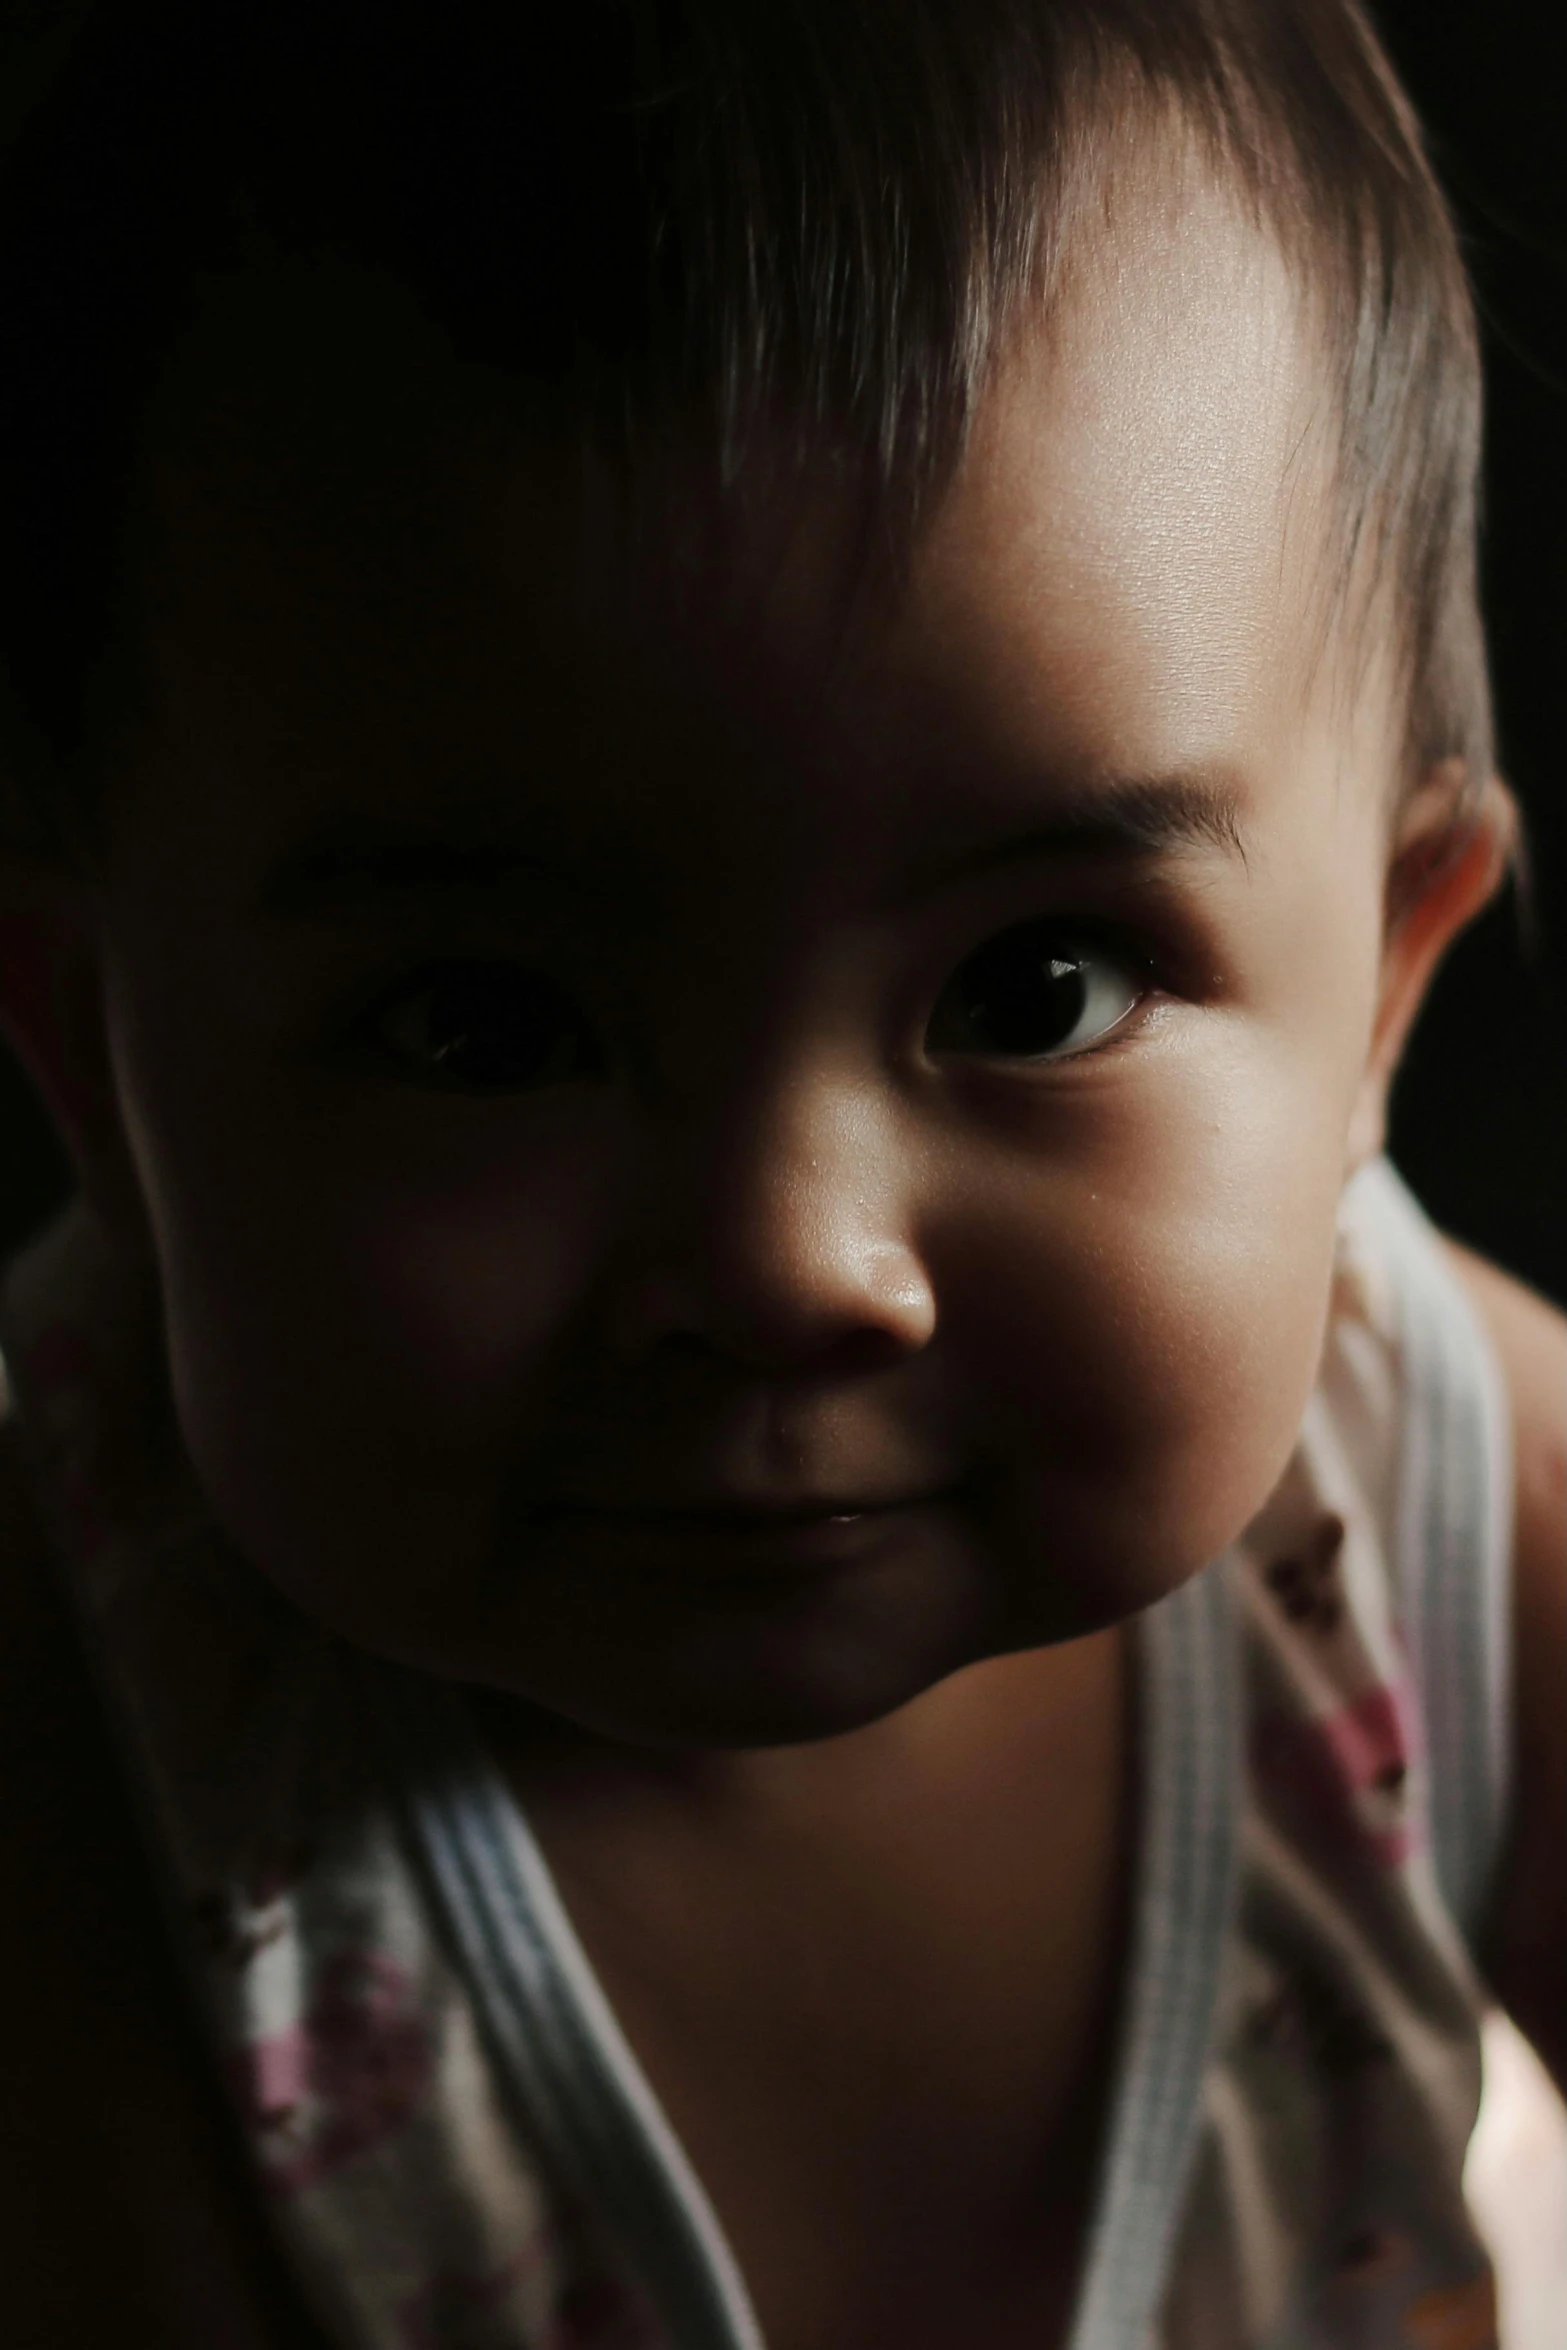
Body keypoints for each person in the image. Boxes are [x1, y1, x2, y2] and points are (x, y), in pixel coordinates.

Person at [0, 1, 1561, 2343]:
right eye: (485, 1026)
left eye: (1039, 985)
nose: (782, 1258)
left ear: (1382, 999)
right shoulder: (89, 1787)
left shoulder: (1457, 1523)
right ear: (96, 1073)